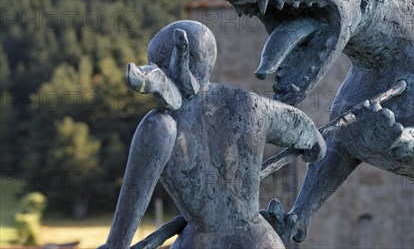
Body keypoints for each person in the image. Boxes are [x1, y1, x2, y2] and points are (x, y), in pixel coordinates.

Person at [100, 20, 326, 249]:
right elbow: (313, 140)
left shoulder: (160, 126)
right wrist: (315, 146)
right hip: (261, 242)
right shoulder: (249, 104)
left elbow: (130, 205)